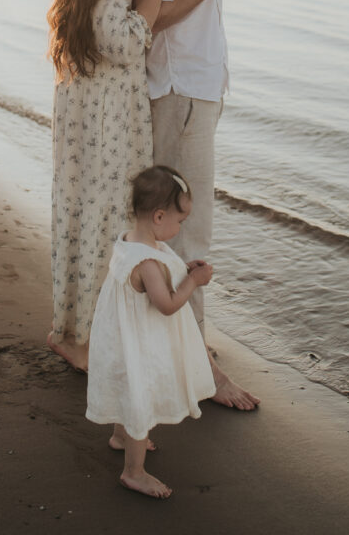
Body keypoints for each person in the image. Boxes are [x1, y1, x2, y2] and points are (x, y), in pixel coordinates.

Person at [132, 0, 260, 411]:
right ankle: (199, 365)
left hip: (193, 92)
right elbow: (148, 17)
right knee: (188, 230)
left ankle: (182, 347)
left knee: (181, 228)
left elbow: (190, 0)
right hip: (181, 93)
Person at [46, 0, 185, 372]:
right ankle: (81, 338)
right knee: (105, 218)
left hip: (91, 115)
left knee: (86, 216)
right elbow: (125, 44)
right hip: (105, 121)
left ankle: (74, 328)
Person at [86, 165, 216, 499]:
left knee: (126, 388)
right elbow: (168, 304)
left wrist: (181, 269)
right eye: (180, 220)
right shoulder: (147, 262)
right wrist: (194, 282)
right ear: (159, 217)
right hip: (138, 343)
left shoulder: (132, 240)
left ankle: (120, 435)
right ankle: (134, 472)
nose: (180, 227)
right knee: (139, 395)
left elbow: (157, 275)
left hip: (120, 337)